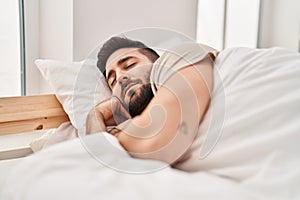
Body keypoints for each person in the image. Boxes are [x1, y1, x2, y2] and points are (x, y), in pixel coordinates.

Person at [86, 36, 216, 165]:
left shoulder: (175, 58)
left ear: (156, 63)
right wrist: (97, 113)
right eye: (113, 81)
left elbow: (158, 141)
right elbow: (98, 161)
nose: (120, 78)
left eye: (130, 65)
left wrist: (118, 138)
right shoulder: (130, 123)